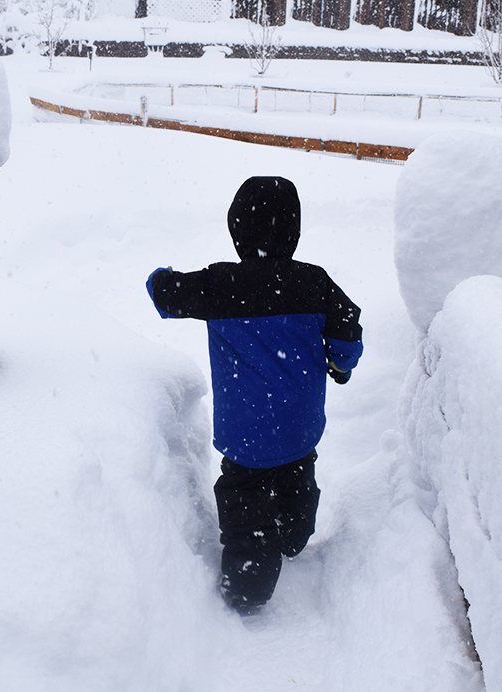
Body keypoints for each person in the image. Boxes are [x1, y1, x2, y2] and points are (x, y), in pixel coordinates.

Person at [146, 176, 363, 613]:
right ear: (294, 233)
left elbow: (165, 296)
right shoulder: (314, 283)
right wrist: (340, 366)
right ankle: (294, 532)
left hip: (246, 437)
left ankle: (249, 583)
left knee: (246, 507)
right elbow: (348, 330)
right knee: (296, 481)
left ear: (237, 232)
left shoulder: (220, 285)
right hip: (300, 430)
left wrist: (160, 277)